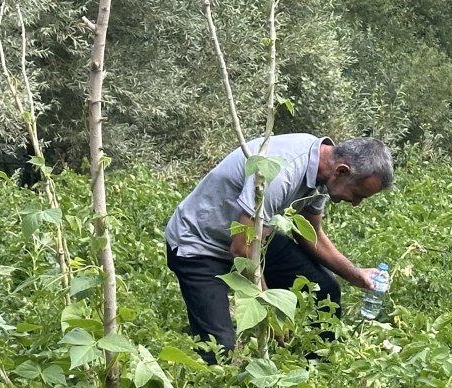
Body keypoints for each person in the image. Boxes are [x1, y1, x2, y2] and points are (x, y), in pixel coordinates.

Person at [165, 133, 392, 363]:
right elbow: (242, 250)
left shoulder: (323, 174)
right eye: (358, 194)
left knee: (324, 290)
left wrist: (356, 275)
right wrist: (269, 311)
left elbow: (309, 234)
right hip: (200, 244)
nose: (356, 203)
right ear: (342, 171)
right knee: (219, 348)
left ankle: (314, 373)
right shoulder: (282, 172)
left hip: (253, 235)